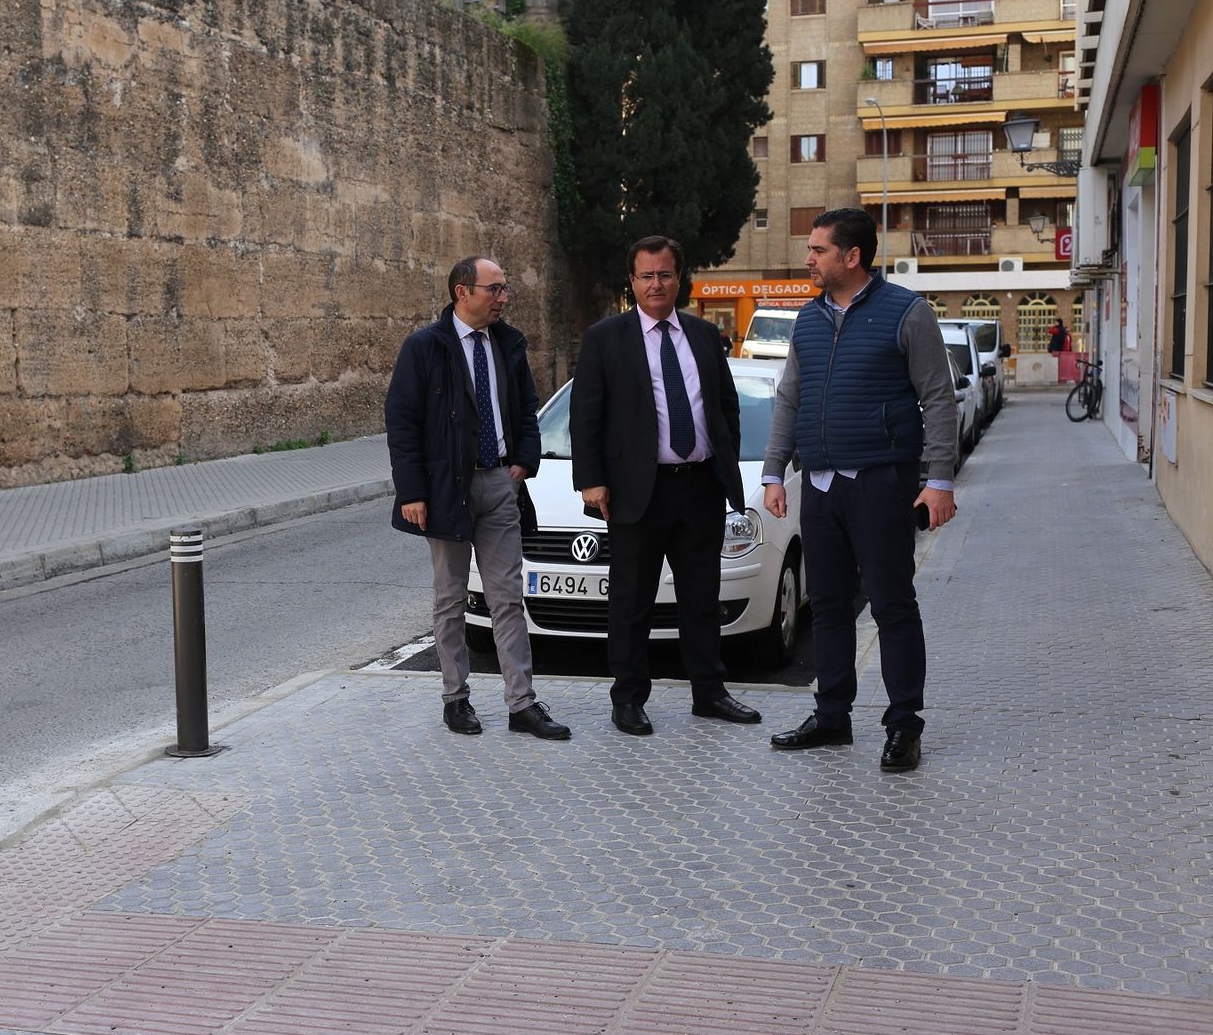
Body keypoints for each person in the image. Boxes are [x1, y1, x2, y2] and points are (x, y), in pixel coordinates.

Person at [761, 208, 958, 773]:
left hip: (880, 482)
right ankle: (832, 716)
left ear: (851, 256)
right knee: (826, 606)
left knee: (893, 606)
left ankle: (903, 727)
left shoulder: (906, 312)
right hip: (820, 484)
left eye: (818, 250)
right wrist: (775, 472)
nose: (809, 259)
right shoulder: (809, 318)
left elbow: (938, 399)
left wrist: (938, 480)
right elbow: (789, 399)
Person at [570, 235, 762, 736]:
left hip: (699, 487)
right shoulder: (605, 338)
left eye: (665, 274)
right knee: (631, 601)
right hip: (638, 492)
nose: (657, 284)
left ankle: (710, 692)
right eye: (646, 276)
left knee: (702, 597)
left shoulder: (702, 335)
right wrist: (591, 481)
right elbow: (585, 416)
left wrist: (724, 462)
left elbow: (725, 405)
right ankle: (629, 698)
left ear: (680, 278)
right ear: (631, 281)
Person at [386, 256, 571, 741]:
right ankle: (456, 698)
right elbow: (402, 423)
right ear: (462, 292)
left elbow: (527, 407)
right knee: (450, 599)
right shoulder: (425, 346)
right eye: (495, 289)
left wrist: (523, 462)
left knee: (508, 598)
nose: (503, 297)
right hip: (447, 489)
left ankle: (522, 704)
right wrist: (412, 491)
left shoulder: (508, 343)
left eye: (505, 288)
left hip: (499, 483)